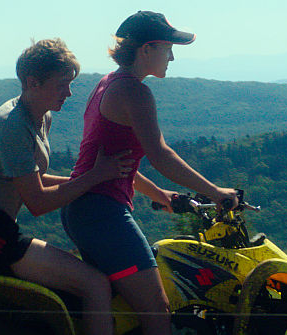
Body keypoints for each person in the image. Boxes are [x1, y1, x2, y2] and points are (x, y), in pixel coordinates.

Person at [60, 11, 239, 335]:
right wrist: (216, 192)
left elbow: (120, 162)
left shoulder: (107, 82)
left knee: (124, 306)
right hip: (103, 215)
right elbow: (160, 155)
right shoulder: (134, 91)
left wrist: (161, 195)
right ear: (146, 49)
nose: (172, 57)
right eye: (167, 48)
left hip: (83, 210)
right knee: (157, 310)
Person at [0, 38, 133, 334]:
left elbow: (31, 181)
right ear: (32, 82)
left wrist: (96, 182)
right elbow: (37, 202)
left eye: (70, 84)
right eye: (61, 85)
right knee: (95, 284)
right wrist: (96, 177)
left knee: (76, 293)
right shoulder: (11, 124)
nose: (69, 93)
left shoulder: (41, 117)